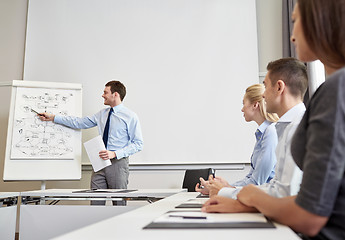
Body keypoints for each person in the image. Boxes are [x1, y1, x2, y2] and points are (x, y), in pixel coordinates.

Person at [232, 1, 345, 239]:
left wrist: (251, 196)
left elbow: (310, 215)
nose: (292, 36)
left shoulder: (336, 90)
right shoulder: (332, 89)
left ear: (321, 21)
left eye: (295, 21)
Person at [202, 57, 308, 212]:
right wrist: (228, 191)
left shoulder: (298, 128)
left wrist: (227, 192)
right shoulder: (287, 127)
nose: (263, 95)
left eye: (265, 86)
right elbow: (275, 187)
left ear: (279, 87)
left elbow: (284, 194)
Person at [39, 80, 143, 205]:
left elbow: (138, 144)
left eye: (105, 92)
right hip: (99, 163)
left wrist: (114, 154)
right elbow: (79, 122)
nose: (102, 95)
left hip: (118, 164)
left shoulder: (130, 116)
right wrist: (53, 117)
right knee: (95, 203)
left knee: (118, 204)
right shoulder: (102, 114)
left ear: (115, 94)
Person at [195, 84, 279, 196]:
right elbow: (251, 178)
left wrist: (224, 189)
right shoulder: (262, 134)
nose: (242, 109)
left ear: (255, 105)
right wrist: (223, 187)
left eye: (244, 103)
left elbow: (257, 182)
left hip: (265, 201)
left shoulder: (271, 132)